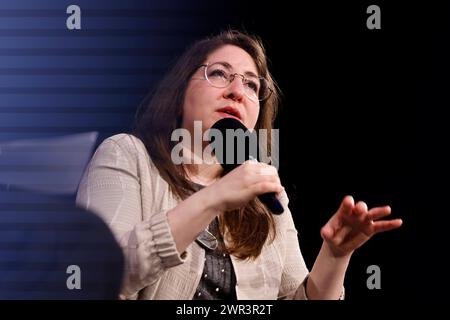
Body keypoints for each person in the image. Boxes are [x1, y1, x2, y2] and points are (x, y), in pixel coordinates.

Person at [76, 30, 402, 300]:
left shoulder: (264, 189)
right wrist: (213, 196)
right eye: (219, 73)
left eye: (251, 84)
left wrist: (335, 255)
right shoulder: (126, 155)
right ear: (180, 91)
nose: (237, 92)